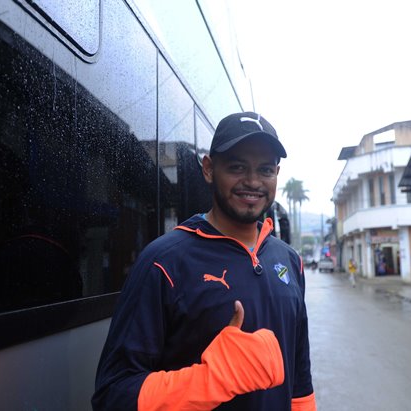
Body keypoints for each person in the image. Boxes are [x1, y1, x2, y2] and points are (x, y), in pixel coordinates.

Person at [92, 112, 316, 410]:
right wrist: (212, 378)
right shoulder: (163, 261)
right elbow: (113, 394)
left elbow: (299, 379)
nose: (252, 182)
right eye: (237, 167)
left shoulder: (289, 260)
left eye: (265, 170)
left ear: (277, 173)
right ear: (209, 169)